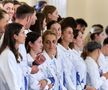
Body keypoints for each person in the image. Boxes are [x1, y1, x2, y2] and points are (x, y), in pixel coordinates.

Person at [0, 23, 25, 90]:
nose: (25, 36)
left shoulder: (14, 53)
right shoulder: (7, 55)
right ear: (15, 36)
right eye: (23, 33)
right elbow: (12, 83)